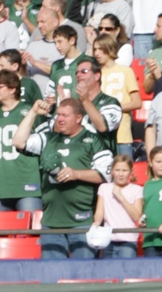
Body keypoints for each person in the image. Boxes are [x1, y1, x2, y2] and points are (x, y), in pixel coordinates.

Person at [14, 97, 114, 260]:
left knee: (83, 277)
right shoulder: (49, 138)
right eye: (58, 115)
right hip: (51, 221)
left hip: (82, 221)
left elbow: (106, 175)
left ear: (78, 118)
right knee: (53, 276)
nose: (59, 119)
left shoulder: (92, 140)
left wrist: (77, 174)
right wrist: (33, 112)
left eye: (65, 116)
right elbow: (18, 142)